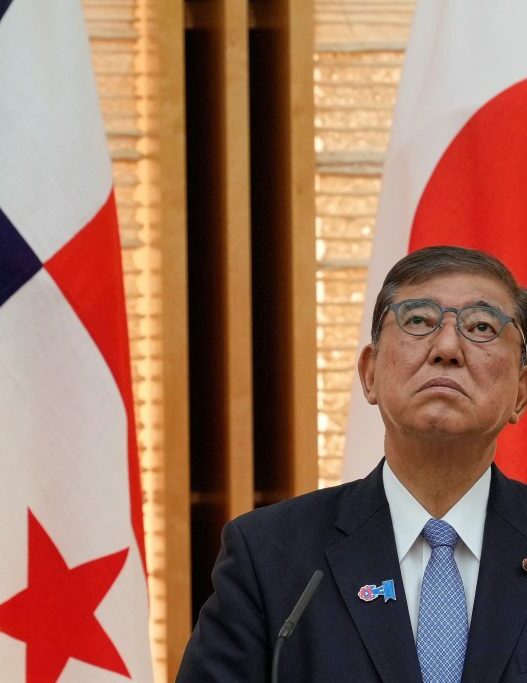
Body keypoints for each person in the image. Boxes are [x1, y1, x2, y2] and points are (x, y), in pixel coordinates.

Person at [176, 246, 527, 682]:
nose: (447, 347)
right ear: (370, 373)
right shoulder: (270, 556)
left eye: (481, 326)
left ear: (520, 392)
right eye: (419, 320)